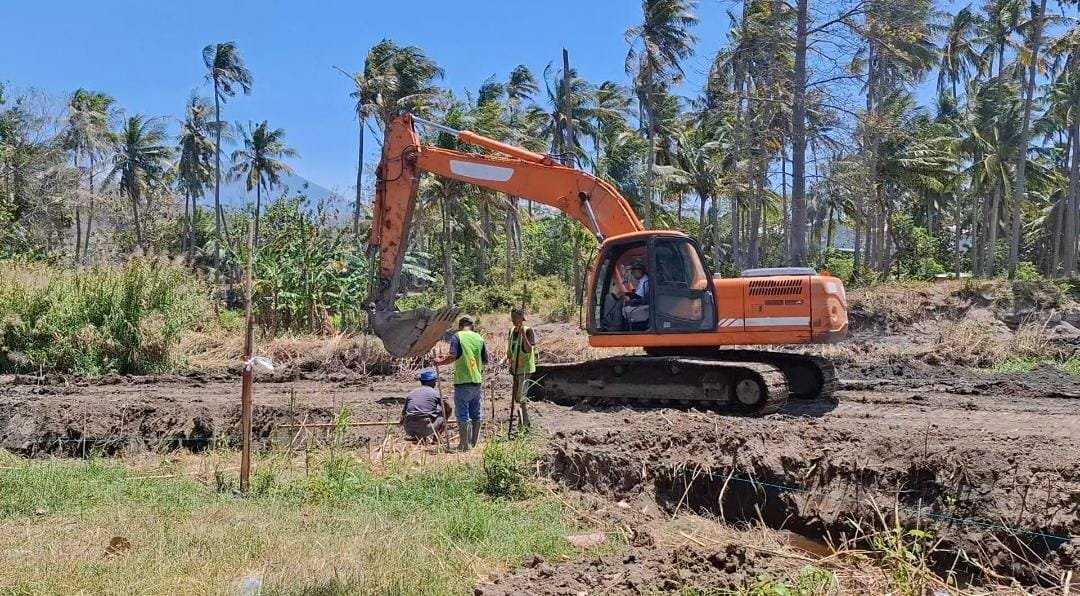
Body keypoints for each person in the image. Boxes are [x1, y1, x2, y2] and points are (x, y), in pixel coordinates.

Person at [436, 316, 488, 451]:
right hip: (476, 380)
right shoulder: (479, 338)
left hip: (463, 381)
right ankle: (472, 444)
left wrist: (439, 362)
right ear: (472, 325)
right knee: (475, 413)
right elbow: (485, 360)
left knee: (463, 413)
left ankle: (464, 445)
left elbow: (453, 356)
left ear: (460, 325)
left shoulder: (457, 337)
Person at [505, 308, 537, 428]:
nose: (513, 320)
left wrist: (523, 335)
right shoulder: (511, 330)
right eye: (512, 317)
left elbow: (528, 349)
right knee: (517, 398)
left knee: (521, 397)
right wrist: (504, 360)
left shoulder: (528, 331)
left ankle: (525, 423)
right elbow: (510, 349)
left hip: (525, 369)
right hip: (515, 369)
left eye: (515, 318)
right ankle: (523, 421)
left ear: (521, 318)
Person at [399, 369, 449, 442]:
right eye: (435, 381)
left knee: (423, 414)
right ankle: (436, 439)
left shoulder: (411, 393)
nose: (435, 383)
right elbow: (449, 408)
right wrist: (446, 415)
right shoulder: (435, 393)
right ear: (432, 382)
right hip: (425, 429)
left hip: (409, 429)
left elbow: (403, 413)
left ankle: (418, 438)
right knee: (443, 414)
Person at [621, 260, 651, 330]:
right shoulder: (643, 280)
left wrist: (627, 298)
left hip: (643, 306)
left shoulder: (645, 281)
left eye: (633, 272)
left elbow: (638, 297)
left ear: (639, 271)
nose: (632, 274)